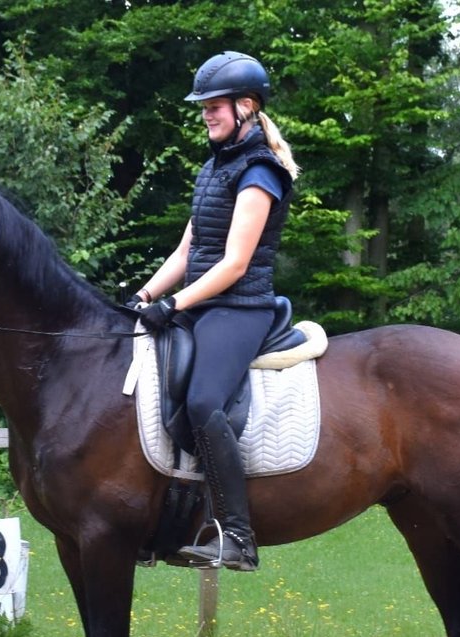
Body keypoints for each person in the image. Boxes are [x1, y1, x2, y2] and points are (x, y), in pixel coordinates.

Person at [131, 51, 300, 572]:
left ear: (247, 107)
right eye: (203, 107)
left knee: (204, 402)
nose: (206, 114)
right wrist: (141, 298)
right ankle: (159, 521)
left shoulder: (260, 171)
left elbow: (234, 262)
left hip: (240, 307)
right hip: (202, 304)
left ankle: (238, 537)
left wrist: (174, 304)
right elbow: (187, 252)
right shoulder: (213, 169)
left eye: (214, 106)